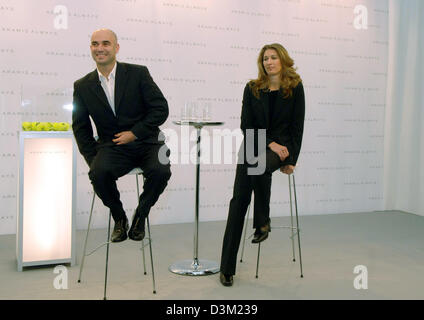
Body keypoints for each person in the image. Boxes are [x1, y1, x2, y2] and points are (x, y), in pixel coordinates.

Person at [72, 29, 171, 243]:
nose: (100, 48)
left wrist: (135, 133)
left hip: (148, 142)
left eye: (106, 43)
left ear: (116, 48)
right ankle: (120, 218)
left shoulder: (138, 73)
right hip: (112, 147)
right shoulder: (82, 86)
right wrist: (93, 159)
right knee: (98, 174)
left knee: (161, 171)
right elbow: (81, 128)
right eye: (95, 44)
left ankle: (140, 217)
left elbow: (160, 109)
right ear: (90, 48)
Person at [219, 43, 305, 286]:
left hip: (282, 149)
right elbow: (247, 126)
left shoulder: (295, 88)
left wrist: (292, 160)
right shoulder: (253, 88)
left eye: (273, 57)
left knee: (259, 165)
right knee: (238, 202)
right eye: (265, 58)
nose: (269, 62)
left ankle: (261, 222)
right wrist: (269, 143)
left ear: (283, 60)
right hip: (254, 145)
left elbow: (298, 127)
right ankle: (227, 268)